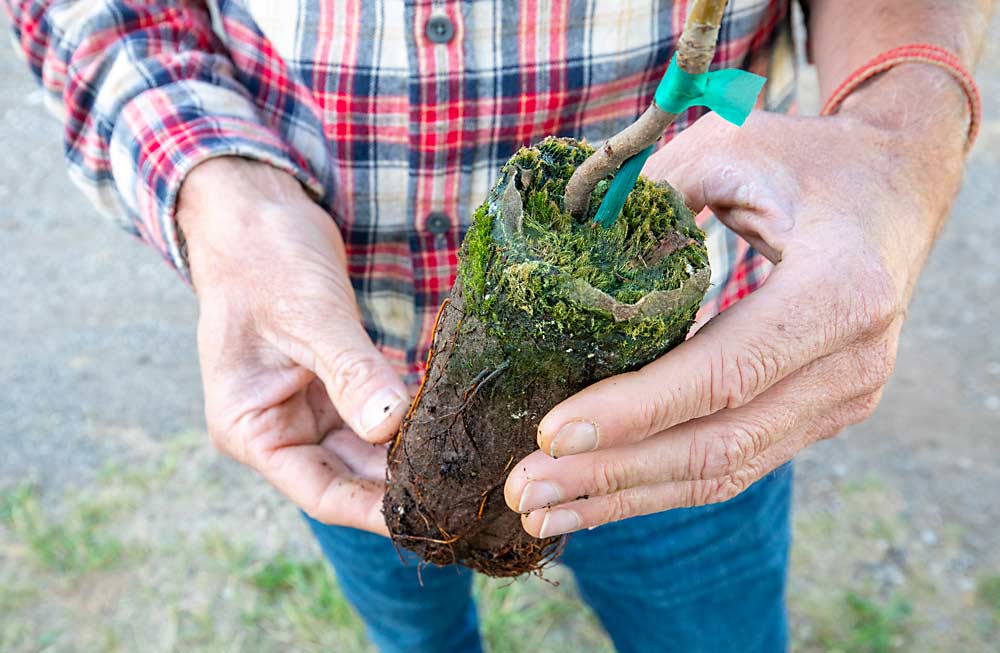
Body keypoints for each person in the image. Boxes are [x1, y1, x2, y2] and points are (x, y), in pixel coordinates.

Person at [5, 1, 992, 651]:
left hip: (688, 399)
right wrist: (224, 193)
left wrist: (896, 130)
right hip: (350, 391)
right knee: (412, 624)